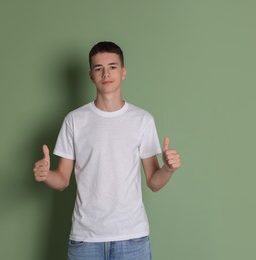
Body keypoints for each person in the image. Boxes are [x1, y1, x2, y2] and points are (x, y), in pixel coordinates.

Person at [33, 41, 181, 260]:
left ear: (123, 72)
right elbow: (62, 179)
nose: (106, 73)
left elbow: (153, 181)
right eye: (98, 68)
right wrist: (46, 175)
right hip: (86, 239)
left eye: (112, 66)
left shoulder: (142, 119)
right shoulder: (75, 120)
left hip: (132, 238)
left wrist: (168, 169)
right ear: (91, 75)